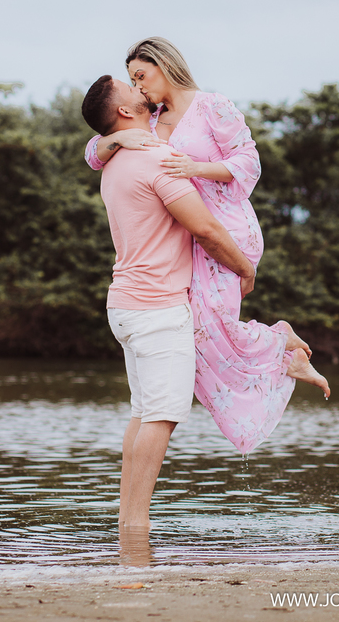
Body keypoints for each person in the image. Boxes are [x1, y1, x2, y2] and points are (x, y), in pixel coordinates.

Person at [85, 37, 327, 455]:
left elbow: (249, 161)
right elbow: (94, 152)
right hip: (194, 235)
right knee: (201, 331)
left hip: (226, 229)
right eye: (132, 81)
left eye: (141, 76)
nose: (138, 87)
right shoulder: (150, 119)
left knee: (212, 323)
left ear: (164, 66)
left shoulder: (211, 105)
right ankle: (281, 345)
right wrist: (119, 141)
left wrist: (197, 167)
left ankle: (281, 342)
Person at [81, 74, 256, 530]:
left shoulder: (117, 160)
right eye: (130, 86)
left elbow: (95, 149)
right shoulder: (156, 159)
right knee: (161, 416)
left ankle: (128, 520)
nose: (139, 89)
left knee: (143, 412)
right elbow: (207, 230)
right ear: (122, 112)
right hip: (156, 308)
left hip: (125, 304)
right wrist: (245, 268)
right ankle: (134, 525)